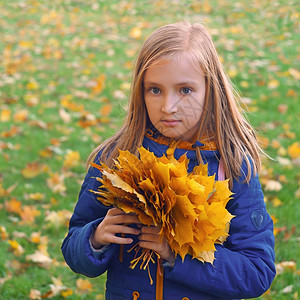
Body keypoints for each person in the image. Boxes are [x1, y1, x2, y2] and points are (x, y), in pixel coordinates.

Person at [61, 22, 276, 299]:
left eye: (185, 90)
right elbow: (73, 248)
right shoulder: (116, 157)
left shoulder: (232, 166)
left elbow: (257, 272)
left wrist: (180, 255)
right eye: (155, 90)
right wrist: (95, 237)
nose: (168, 107)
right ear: (140, 90)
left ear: (211, 90)